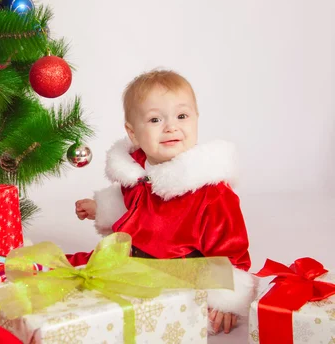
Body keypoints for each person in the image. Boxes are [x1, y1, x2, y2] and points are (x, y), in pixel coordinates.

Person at [72, 69, 256, 334]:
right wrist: (100, 208)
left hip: (179, 277)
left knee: (155, 325)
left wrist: (227, 298)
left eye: (182, 116)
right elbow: (131, 204)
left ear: (196, 120)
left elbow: (231, 249)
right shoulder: (138, 174)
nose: (171, 126)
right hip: (131, 263)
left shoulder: (210, 191)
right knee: (76, 281)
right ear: (133, 134)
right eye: (155, 119)